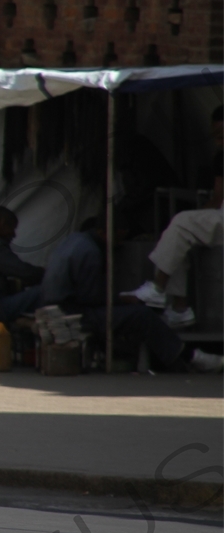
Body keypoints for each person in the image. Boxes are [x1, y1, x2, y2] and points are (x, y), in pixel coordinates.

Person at [43, 218, 222, 373]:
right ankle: (191, 357)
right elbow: (90, 298)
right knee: (141, 315)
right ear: (102, 232)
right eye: (117, 238)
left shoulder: (73, 240)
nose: (118, 244)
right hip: (76, 314)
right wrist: (123, 299)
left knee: (135, 310)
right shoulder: (91, 252)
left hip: (62, 307)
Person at [123, 106, 224, 328]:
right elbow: (217, 199)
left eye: (222, 136)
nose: (218, 142)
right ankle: (179, 308)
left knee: (181, 223)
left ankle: (158, 290)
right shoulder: (220, 158)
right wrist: (195, 220)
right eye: (216, 137)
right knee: (178, 233)